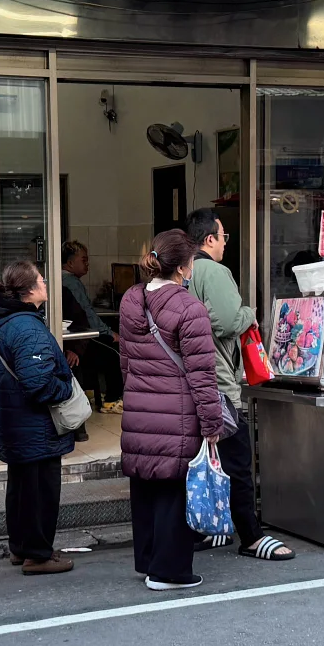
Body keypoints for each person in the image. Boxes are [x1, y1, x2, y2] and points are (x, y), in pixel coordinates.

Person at [119, 229, 226, 590]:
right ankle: (168, 572)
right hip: (177, 412)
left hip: (139, 407)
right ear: (182, 267)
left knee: (145, 485)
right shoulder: (190, 308)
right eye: (191, 260)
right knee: (174, 490)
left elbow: (126, 362)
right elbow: (202, 374)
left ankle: (148, 561)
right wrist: (211, 424)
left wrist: (137, 394)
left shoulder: (131, 299)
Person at [185, 208, 293, 560]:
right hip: (217, 383)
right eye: (223, 237)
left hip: (190, 382)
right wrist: (250, 312)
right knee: (236, 460)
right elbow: (230, 321)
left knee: (203, 460)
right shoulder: (213, 271)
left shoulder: (182, 271)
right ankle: (251, 536)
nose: (225, 244)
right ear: (209, 239)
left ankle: (210, 528)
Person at [0, 261, 77, 575]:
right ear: (29, 290)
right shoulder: (26, 326)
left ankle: (21, 547)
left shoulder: (7, 321)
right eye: (41, 279)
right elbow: (39, 383)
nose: (45, 283)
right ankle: (37, 555)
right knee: (40, 490)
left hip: (16, 422)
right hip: (35, 425)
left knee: (22, 487)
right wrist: (65, 388)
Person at [61, 239, 124, 413]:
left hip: (73, 338)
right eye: (84, 260)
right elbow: (87, 315)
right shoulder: (71, 282)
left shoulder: (63, 280)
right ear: (70, 263)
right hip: (80, 336)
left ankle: (90, 392)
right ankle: (111, 400)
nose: (87, 264)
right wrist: (109, 333)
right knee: (114, 354)